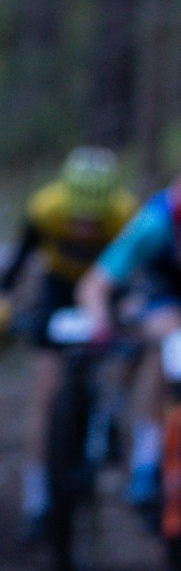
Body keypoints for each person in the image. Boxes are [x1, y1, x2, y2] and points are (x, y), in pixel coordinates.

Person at [0, 148, 137, 535]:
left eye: (92, 223)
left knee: (125, 352)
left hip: (107, 291)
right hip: (58, 291)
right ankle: (36, 500)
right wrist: (1, 299)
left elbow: (136, 265)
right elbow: (20, 258)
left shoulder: (125, 215)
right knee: (45, 393)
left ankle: (112, 418)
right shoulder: (45, 209)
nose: (84, 230)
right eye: (78, 221)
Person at [76, 170, 181, 515]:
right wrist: (99, 325)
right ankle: (144, 462)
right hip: (159, 293)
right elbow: (94, 285)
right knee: (165, 345)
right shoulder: (153, 224)